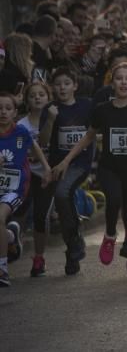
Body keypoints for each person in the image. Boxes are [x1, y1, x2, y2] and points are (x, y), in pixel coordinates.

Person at [52, 62, 127, 294]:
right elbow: (88, 137)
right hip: (109, 168)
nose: (123, 82)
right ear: (112, 83)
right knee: (113, 199)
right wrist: (66, 161)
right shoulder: (103, 109)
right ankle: (110, 234)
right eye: (119, 78)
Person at [0, 90, 51, 287]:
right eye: (0, 108)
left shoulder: (20, 132)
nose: (3, 112)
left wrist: (46, 169)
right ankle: (10, 236)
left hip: (16, 187)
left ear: (15, 112)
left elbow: (35, 147)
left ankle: (3, 269)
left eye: (8, 108)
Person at [46, 67, 93, 275]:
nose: (62, 87)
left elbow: (94, 132)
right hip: (57, 165)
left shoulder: (87, 106)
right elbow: (43, 141)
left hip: (79, 164)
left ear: (75, 85)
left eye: (66, 83)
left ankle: (74, 242)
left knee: (62, 194)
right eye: (58, 84)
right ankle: (73, 249)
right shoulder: (51, 109)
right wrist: (50, 119)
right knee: (63, 202)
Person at [16, 81, 56, 277]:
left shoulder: (55, 120)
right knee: (19, 211)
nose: (37, 98)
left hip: (46, 176)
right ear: (27, 101)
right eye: (33, 95)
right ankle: (13, 243)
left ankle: (39, 257)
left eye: (42, 94)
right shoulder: (20, 125)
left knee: (41, 216)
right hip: (26, 175)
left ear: (48, 98)